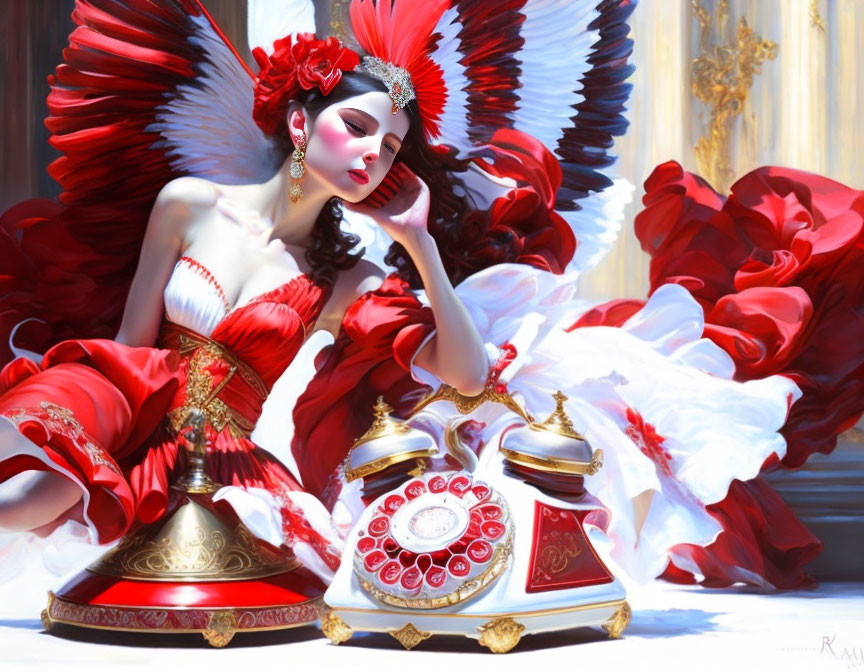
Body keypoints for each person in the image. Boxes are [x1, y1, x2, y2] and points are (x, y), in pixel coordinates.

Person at [1, 0, 861, 599]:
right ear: (302, 123)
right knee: (41, 467)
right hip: (138, 419)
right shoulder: (187, 203)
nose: (374, 152)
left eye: (393, 143)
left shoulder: (344, 277)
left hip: (235, 475)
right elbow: (128, 347)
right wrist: (92, 443)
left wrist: (417, 243)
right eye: (359, 126)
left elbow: (468, 371)